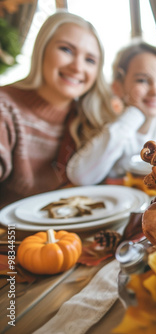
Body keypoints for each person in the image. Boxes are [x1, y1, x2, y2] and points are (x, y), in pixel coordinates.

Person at [0, 11, 116, 208]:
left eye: (90, 60)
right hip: (11, 236)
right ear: (42, 49)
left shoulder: (94, 118)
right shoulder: (5, 107)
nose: (77, 67)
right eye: (66, 50)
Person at [67, 41, 156, 185]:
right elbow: (80, 177)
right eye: (142, 80)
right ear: (118, 87)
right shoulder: (117, 128)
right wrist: (134, 114)